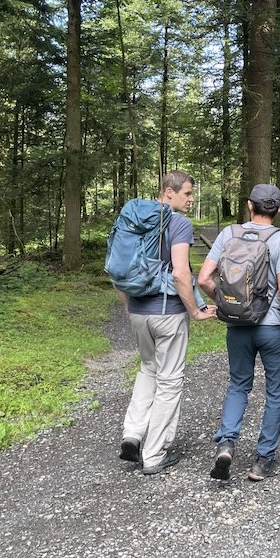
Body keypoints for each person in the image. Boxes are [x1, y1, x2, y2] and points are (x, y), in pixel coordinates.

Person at [198, 183, 280, 482]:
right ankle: (262, 459)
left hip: (238, 327)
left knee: (238, 385)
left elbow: (204, 278)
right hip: (273, 329)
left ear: (249, 205)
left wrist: (223, 303)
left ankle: (227, 443)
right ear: (279, 209)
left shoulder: (228, 234)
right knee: (276, 391)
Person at [115, 171, 216, 475]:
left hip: (138, 311)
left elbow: (117, 269)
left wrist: (129, 307)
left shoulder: (132, 222)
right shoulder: (178, 223)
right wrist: (196, 312)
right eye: (186, 193)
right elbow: (181, 274)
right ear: (168, 192)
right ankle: (154, 453)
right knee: (170, 381)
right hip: (168, 312)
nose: (191, 199)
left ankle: (132, 435)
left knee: (148, 369)